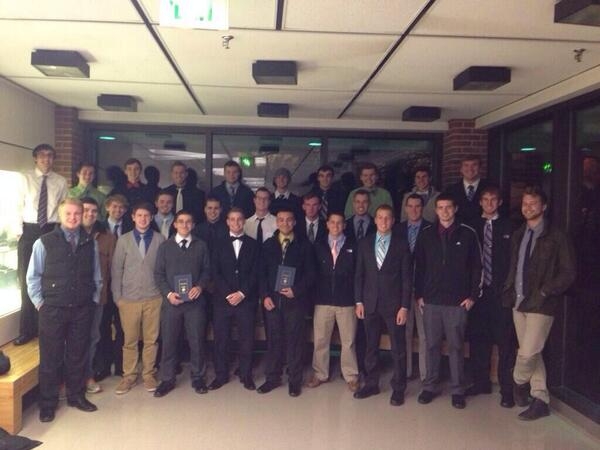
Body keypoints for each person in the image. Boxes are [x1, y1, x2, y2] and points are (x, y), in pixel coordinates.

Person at [502, 186, 576, 421]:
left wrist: (545, 291)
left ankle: (517, 381)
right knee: (534, 353)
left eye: (533, 203)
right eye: (525, 203)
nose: (528, 207)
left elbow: (568, 272)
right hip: (519, 301)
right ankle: (540, 399)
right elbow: (515, 266)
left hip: (542, 303)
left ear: (544, 206)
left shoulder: (557, 236)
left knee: (527, 353)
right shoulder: (518, 234)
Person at [27, 198, 102, 422]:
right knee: (51, 357)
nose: (73, 218)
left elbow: (97, 275)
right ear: (60, 216)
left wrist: (93, 299)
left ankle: (76, 396)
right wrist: (40, 303)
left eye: (77, 214)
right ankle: (48, 403)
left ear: (82, 215)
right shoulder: (43, 242)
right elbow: (33, 277)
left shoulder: (90, 242)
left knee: (78, 355)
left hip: (82, 308)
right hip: (52, 309)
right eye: (68, 214)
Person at [414, 193, 482, 409]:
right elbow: (418, 267)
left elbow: (477, 267)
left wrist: (472, 296)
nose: (444, 211)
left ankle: (458, 390)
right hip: (431, 301)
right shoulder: (426, 234)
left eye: (448, 207)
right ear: (435, 210)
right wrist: (419, 295)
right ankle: (430, 386)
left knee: (456, 347)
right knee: (432, 345)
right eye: (440, 207)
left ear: (455, 209)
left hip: (457, 302)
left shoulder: (468, 233)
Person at [354, 205, 412, 406]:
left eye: (387, 218)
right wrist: (359, 301)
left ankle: (398, 388)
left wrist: (404, 306)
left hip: (394, 306)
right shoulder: (364, 243)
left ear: (393, 221)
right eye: (380, 217)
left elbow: (406, 279)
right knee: (370, 346)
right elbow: (359, 275)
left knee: (398, 348)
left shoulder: (401, 244)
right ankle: (371, 383)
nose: (384, 221)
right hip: (369, 303)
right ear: (375, 220)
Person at [466, 186, 517, 407]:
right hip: (478, 293)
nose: (489, 203)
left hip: (501, 293)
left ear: (500, 202)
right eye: (485, 199)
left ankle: (507, 389)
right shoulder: (471, 227)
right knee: (479, 339)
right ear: (480, 202)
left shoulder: (509, 227)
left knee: (505, 342)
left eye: (493, 199)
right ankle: (481, 382)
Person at [257, 208, 316, 397]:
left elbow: (311, 274)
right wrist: (265, 296)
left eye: (289, 220)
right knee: (273, 341)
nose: (285, 223)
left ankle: (294, 381)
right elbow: (261, 273)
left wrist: (296, 291)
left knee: (295, 342)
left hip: (295, 302)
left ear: (295, 222)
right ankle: (272, 378)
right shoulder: (268, 245)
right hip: (272, 302)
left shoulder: (304, 245)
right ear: (277, 222)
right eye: (281, 220)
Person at [153, 210, 211, 397]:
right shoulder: (165, 247)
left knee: (197, 341)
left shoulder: (201, 245)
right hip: (172, 303)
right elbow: (158, 274)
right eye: (181, 222)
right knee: (169, 341)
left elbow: (207, 271)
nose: (185, 225)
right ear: (175, 224)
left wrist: (200, 286)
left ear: (193, 225)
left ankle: (198, 377)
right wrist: (168, 294)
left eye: (188, 222)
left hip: (195, 303)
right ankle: (167, 379)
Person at [15, 143, 68, 345]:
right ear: (35, 158)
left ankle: (44, 328)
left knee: (48, 280)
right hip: (29, 231)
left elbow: (63, 209)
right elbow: (16, 206)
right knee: (26, 280)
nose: (46, 159)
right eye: (42, 155)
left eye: (50, 156)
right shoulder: (25, 178)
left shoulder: (60, 181)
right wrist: (19, 232)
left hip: (51, 230)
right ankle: (26, 330)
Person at [111, 201, 165, 395]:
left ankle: (149, 374)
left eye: (147, 216)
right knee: (130, 340)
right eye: (139, 215)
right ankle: (129, 376)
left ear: (151, 218)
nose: (143, 219)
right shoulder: (123, 240)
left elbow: (164, 269)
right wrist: (118, 297)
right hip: (129, 299)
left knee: (151, 339)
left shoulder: (160, 239)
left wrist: (163, 295)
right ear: (133, 217)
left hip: (154, 297)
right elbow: (116, 270)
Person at [305, 212, 360, 392]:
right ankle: (320, 373)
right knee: (320, 340)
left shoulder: (353, 245)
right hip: (323, 300)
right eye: (332, 222)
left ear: (344, 225)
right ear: (327, 224)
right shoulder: (318, 245)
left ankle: (351, 376)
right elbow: (312, 273)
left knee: (348, 341)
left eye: (339, 223)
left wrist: (357, 299)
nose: (336, 226)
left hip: (347, 301)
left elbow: (358, 274)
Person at [209, 208, 259, 391]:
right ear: (227, 222)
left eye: (239, 219)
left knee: (247, 340)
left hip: (246, 300)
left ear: (244, 221)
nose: (236, 223)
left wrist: (242, 293)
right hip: (222, 301)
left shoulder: (254, 244)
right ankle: (221, 375)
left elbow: (256, 271)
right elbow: (215, 272)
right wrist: (228, 294)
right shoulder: (217, 243)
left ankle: (246, 375)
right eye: (232, 219)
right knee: (221, 340)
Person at [394, 193, 431, 381]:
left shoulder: (431, 228)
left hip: (424, 289)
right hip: (402, 289)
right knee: (404, 332)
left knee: (425, 334)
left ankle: (426, 374)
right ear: (406, 208)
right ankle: (406, 371)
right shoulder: (397, 229)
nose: (414, 209)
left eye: (417, 206)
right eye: (411, 206)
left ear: (422, 208)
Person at [94, 194, 129, 381]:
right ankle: (104, 366)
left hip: (124, 286)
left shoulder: (130, 227)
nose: (118, 210)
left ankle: (122, 366)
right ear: (107, 207)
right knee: (103, 327)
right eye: (114, 206)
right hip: (104, 286)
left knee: (123, 327)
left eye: (121, 207)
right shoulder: (98, 228)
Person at [443, 155, 488, 226]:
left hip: (484, 228)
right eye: (466, 165)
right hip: (458, 229)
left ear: (480, 168)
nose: (470, 169)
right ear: (461, 169)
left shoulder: (489, 188)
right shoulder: (451, 190)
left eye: (474, 165)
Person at [163, 161, 206, 225]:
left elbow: (199, 215)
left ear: (186, 174)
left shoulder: (198, 194)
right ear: (172, 174)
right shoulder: (165, 193)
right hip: (168, 227)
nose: (179, 175)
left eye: (181, 173)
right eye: (176, 173)